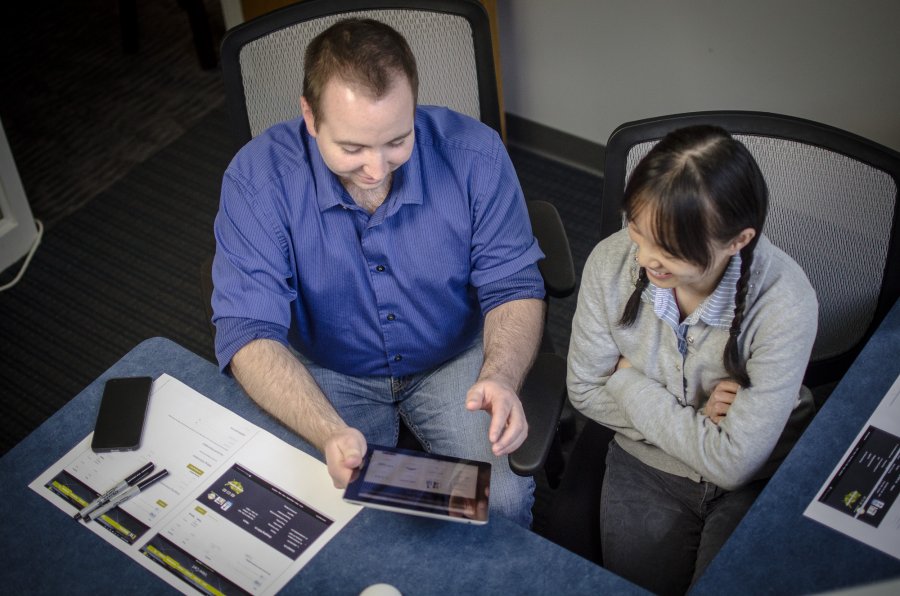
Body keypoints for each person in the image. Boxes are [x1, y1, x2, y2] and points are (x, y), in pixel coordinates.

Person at [210, 18, 545, 528]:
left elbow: (514, 284)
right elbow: (248, 333)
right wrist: (326, 430)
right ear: (310, 116)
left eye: (396, 140)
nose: (376, 169)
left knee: (499, 504)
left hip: (452, 358)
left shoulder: (475, 155)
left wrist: (500, 376)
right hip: (329, 370)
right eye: (352, 148)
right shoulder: (258, 180)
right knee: (338, 516)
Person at [567, 125, 818, 593]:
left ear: (737, 241)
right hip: (646, 463)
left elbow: (734, 465)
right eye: (637, 232)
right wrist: (700, 426)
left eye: (671, 251)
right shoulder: (612, 261)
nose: (643, 259)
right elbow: (582, 389)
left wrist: (627, 383)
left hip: (758, 476)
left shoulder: (785, 302)